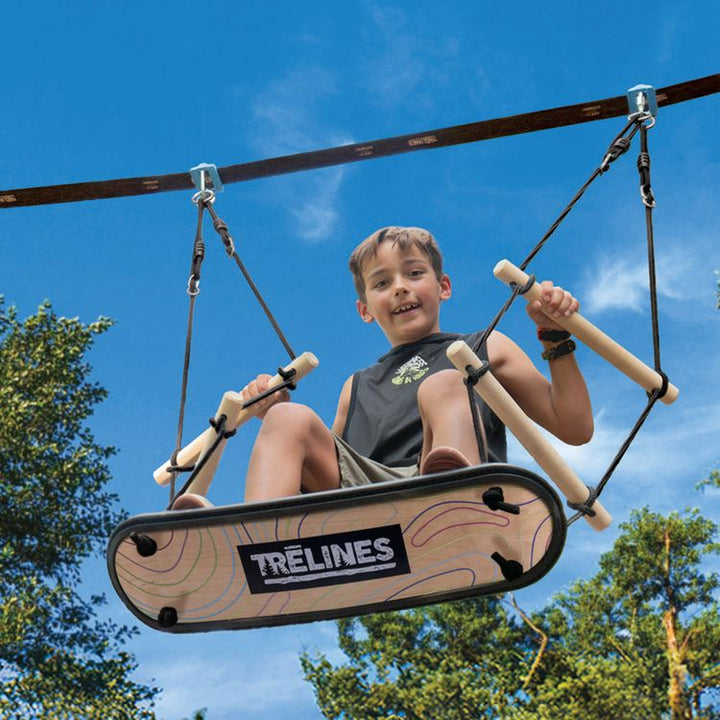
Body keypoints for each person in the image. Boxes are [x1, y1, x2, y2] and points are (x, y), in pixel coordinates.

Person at [174, 226, 593, 509]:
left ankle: (454, 498)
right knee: (288, 418)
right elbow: (330, 467)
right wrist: (272, 413)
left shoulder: (483, 346)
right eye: (381, 283)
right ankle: (259, 535)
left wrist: (556, 339)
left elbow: (575, 427)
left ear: (443, 287)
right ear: (365, 310)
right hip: (368, 501)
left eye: (414, 273)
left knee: (445, 382)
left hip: (440, 487)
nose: (400, 288)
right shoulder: (356, 386)